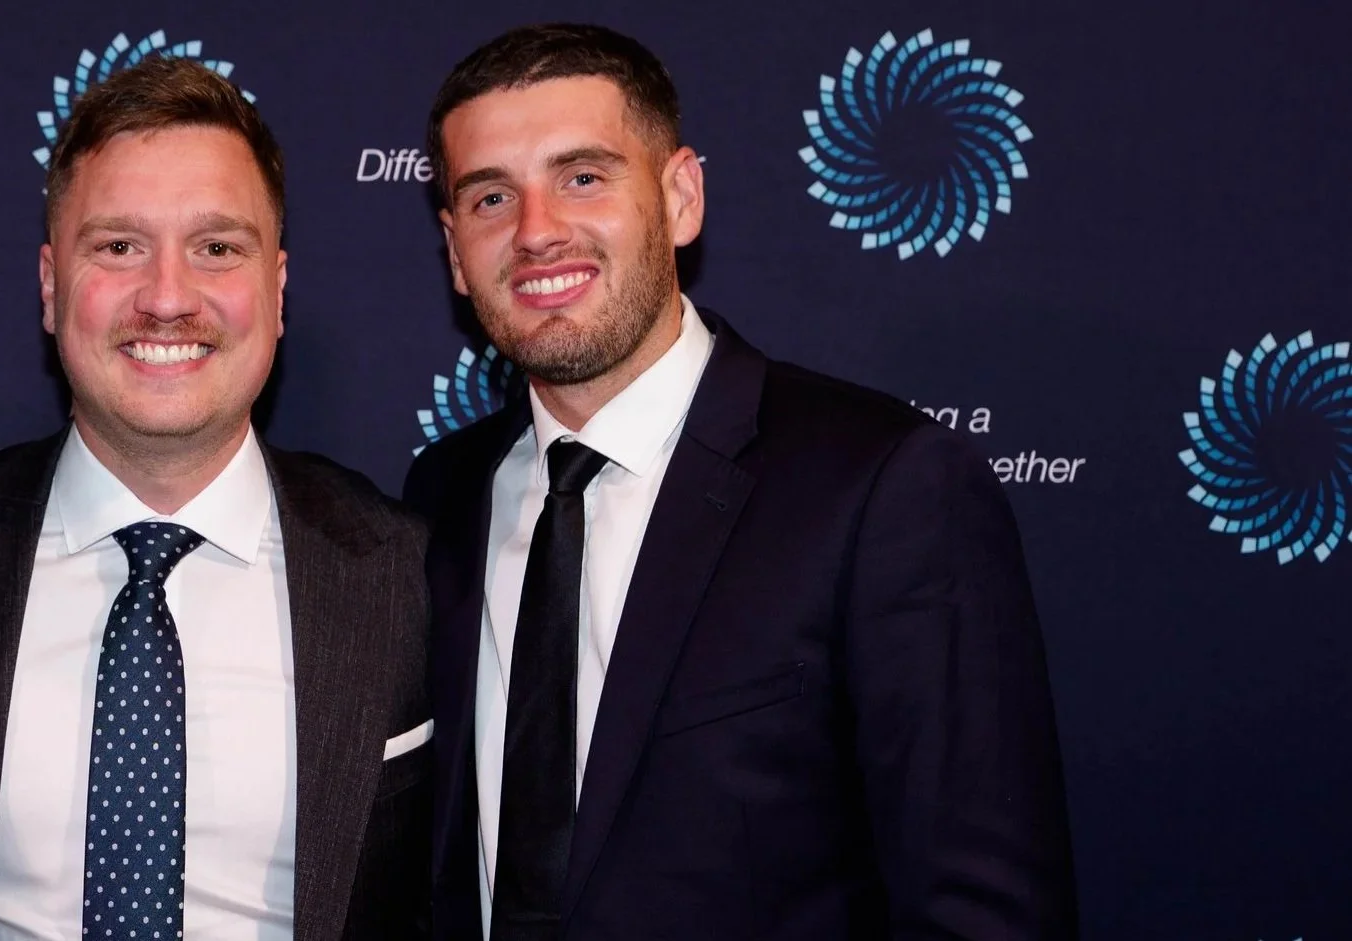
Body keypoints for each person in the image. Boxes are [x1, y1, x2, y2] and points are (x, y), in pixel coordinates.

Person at [404, 23, 1076, 940]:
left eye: (584, 177)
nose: (536, 231)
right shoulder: (440, 496)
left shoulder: (882, 486)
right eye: (490, 197)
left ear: (681, 197)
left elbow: (982, 908)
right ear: (453, 248)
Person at [0, 56, 431, 941]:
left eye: (217, 248)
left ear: (276, 289)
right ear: (49, 285)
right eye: (118, 247)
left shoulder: (409, 572)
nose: (166, 298)